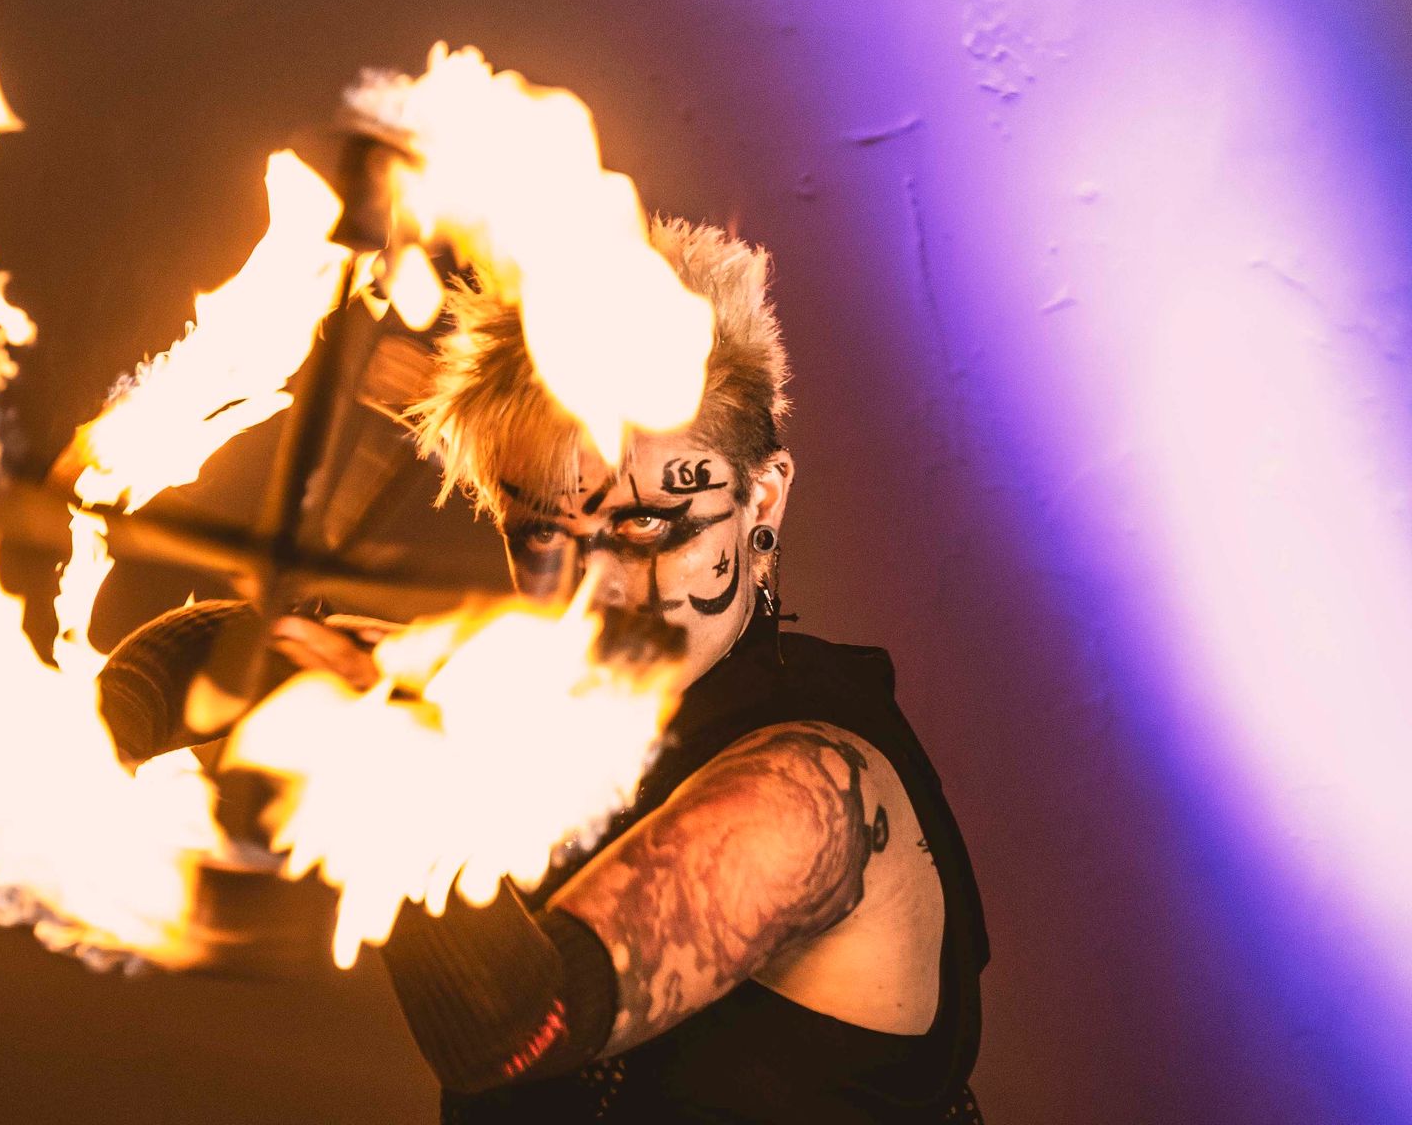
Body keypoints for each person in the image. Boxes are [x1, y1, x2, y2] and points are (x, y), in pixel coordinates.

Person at [102, 217, 988, 1123]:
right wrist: (63, 728)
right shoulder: (540, 700)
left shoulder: (809, 792)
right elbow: (210, 652)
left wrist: (377, 772)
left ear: (761, 497)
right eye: (544, 538)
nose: (591, 594)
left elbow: (515, 1026)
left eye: (645, 525)